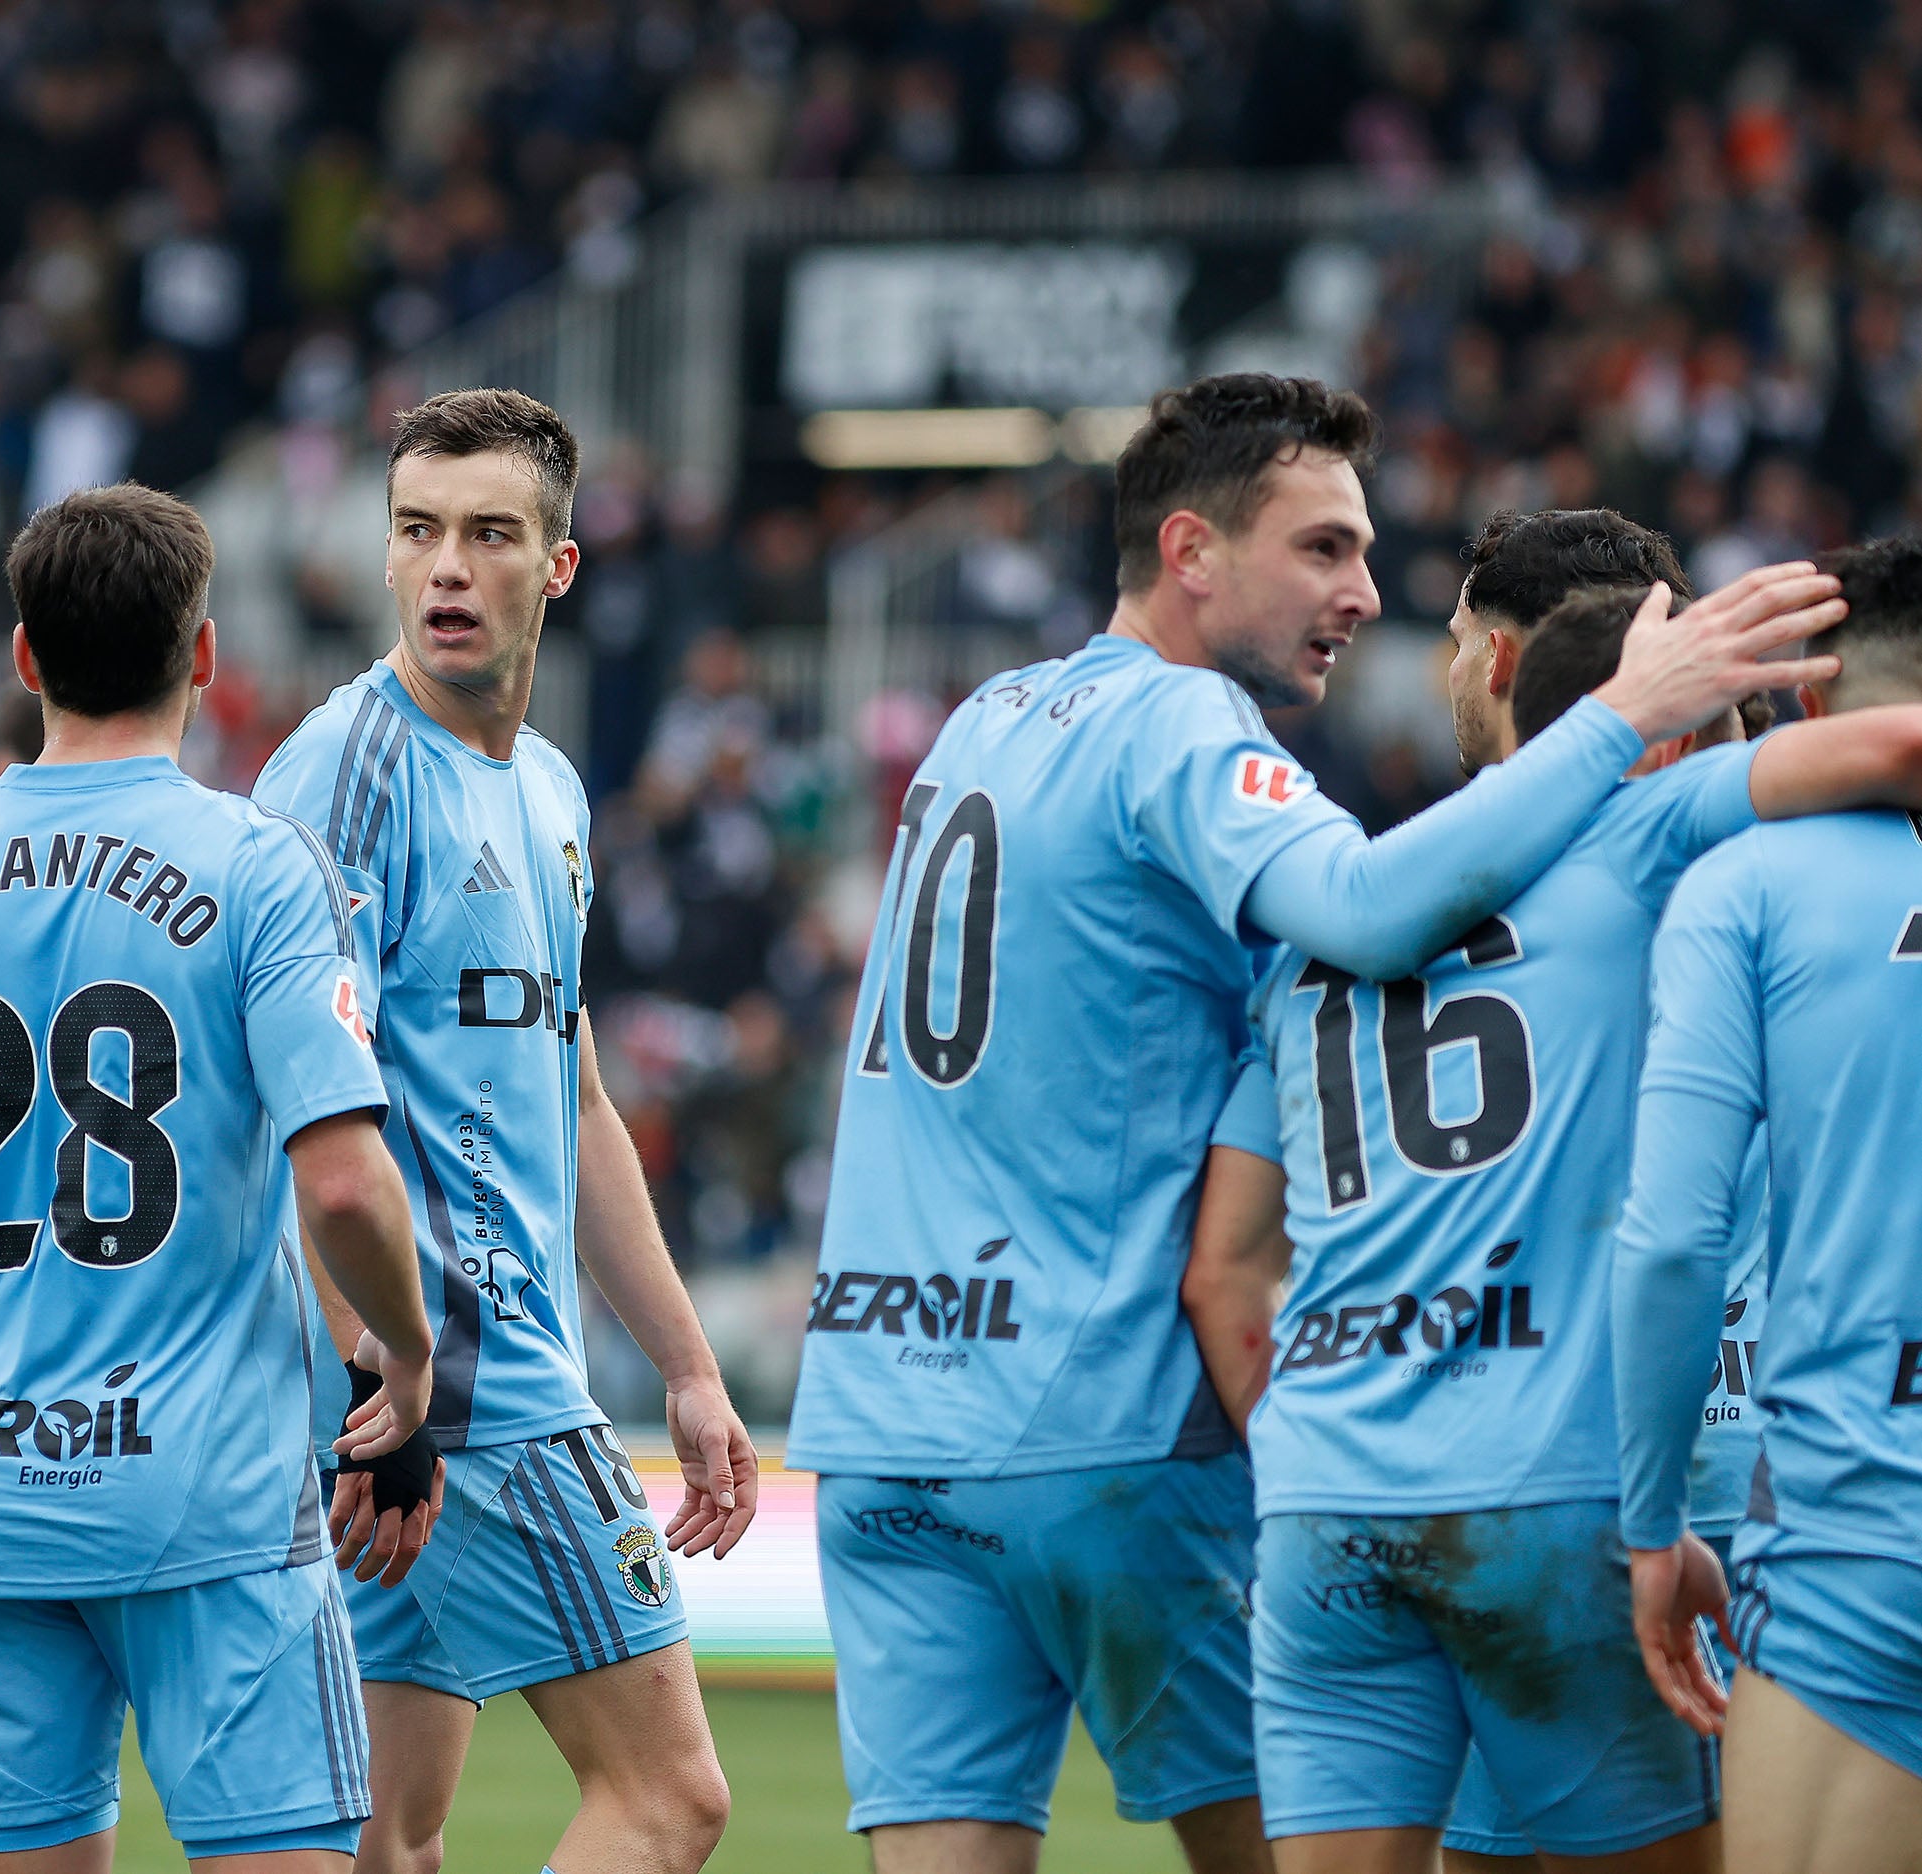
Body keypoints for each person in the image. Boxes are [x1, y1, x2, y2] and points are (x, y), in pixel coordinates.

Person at [786, 373, 1835, 1874]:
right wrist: (1622, 719)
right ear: (1190, 548)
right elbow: (1362, 909)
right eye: (1325, 548)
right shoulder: (1183, 722)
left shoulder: (986, 716)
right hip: (1100, 1415)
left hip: (883, 1420)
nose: (1362, 592)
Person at [1191, 569, 1922, 1874]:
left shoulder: (1325, 926)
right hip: (1544, 1488)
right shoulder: (1641, 832)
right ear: (1661, 722)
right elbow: (1897, 737)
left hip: (1321, 1501)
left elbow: (1221, 1274)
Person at [0, 483, 436, 1868]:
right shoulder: (262, 867)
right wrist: (405, 1349)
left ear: (22, 659)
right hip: (207, 1499)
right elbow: (341, 1184)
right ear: (203, 656)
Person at [252, 388, 754, 1874]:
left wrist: (684, 1360)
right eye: (417, 532)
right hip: (454, 1381)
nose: (448, 568)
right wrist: (374, 1380)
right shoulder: (345, 772)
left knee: (390, 1842)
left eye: (488, 534)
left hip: (439, 1389)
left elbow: (576, 1088)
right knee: (672, 1798)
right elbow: (300, 1106)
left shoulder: (546, 786)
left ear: (559, 567)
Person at [1414, 508, 1766, 1872]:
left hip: (1518, 1483)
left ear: (1500, 660)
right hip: (1722, 1456)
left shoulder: (1402, 891)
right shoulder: (1747, 861)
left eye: (1450, 639)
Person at [1613, 536, 1922, 1874]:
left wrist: (1646, 1528)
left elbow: (1674, 1237)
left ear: (1804, 702)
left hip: (1869, 1530)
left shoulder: (1745, 884)